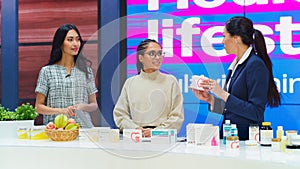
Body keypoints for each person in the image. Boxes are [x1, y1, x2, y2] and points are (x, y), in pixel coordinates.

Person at [191, 16, 280, 140]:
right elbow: (232, 110)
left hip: (248, 141)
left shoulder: (255, 65)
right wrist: (211, 100)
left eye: (224, 36)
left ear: (236, 38)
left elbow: (256, 112)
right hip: (231, 139)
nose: (222, 41)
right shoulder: (237, 65)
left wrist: (222, 94)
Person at [113, 39, 184, 137]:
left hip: (164, 139)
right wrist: (135, 129)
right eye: (152, 54)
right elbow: (120, 115)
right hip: (136, 138)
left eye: (160, 53)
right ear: (141, 58)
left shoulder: (171, 81)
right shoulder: (130, 83)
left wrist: (155, 132)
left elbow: (177, 117)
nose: (157, 57)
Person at [35, 24, 98, 128]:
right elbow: (38, 107)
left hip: (83, 129)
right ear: (60, 43)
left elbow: (94, 105)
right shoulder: (47, 71)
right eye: (70, 40)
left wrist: (83, 106)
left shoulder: (86, 71)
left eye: (77, 40)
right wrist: (62, 111)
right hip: (56, 130)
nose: (75, 44)